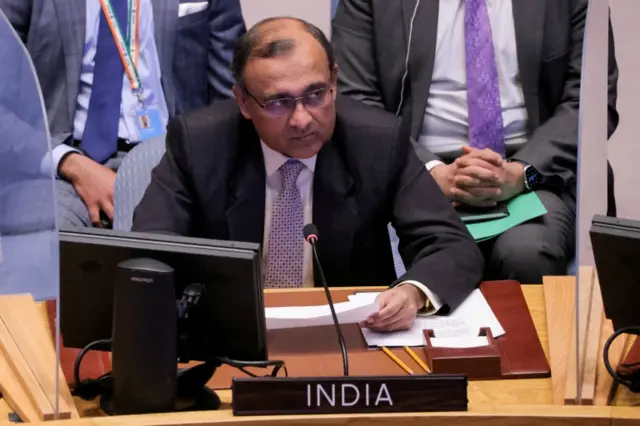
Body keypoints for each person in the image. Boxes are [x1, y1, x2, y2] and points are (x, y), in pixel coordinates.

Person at [131, 17, 484, 332]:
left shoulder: (377, 141)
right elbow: (152, 247)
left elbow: (449, 244)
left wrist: (412, 292)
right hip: (231, 332)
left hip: (351, 334)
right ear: (243, 102)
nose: (302, 119)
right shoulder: (199, 144)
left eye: (316, 94)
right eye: (278, 103)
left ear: (334, 80)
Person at [332, 0, 619, 283]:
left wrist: (520, 172)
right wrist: (431, 171)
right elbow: (355, 99)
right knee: (439, 263)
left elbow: (590, 102)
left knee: (527, 254)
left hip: (534, 169)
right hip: (415, 169)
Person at [0, 0, 246, 228]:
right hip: (66, 162)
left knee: (171, 258)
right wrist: (67, 162)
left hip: (174, 162)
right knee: (50, 247)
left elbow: (232, 95)